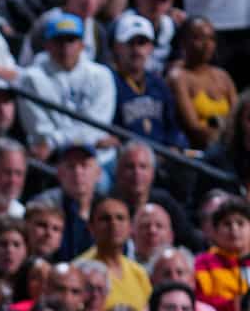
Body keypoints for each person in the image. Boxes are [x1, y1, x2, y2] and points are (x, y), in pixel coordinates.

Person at [17, 15, 118, 164]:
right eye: (59, 41)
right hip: (55, 160)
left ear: (82, 45)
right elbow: (41, 133)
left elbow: (97, 124)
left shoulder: (101, 75)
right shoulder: (31, 78)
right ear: (47, 44)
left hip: (98, 158)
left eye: (71, 40)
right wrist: (89, 139)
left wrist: (54, 141)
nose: (65, 47)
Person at [109, 14, 188, 149]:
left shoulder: (158, 83)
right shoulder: (109, 81)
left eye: (142, 43)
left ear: (151, 47)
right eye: (130, 43)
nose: (136, 50)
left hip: (162, 157)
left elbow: (173, 127)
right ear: (117, 46)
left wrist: (174, 146)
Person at [169, 17, 237, 150]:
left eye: (211, 38)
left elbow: (237, 120)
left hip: (227, 147)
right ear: (183, 42)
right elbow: (194, 129)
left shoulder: (223, 76)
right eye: (199, 38)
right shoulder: (178, 77)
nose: (207, 44)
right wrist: (229, 136)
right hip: (199, 152)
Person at [75, 196, 152, 311]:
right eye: (105, 219)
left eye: (120, 218)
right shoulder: (78, 272)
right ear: (91, 227)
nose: (113, 223)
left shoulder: (139, 273)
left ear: (130, 227)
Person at [30, 142, 103, 261]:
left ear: (98, 173)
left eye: (84, 165)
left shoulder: (107, 208)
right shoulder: (44, 204)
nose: (77, 172)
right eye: (71, 166)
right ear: (59, 173)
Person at [196, 198, 250, 311]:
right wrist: (232, 306)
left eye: (240, 223)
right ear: (214, 232)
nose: (234, 229)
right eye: (227, 224)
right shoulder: (203, 263)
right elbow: (200, 303)